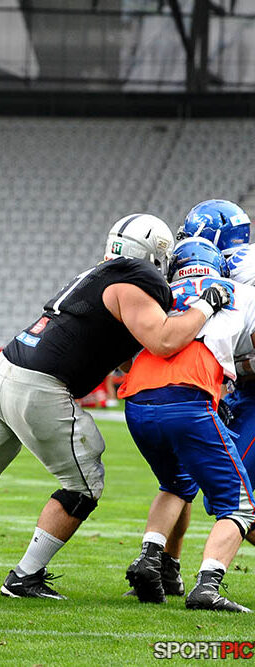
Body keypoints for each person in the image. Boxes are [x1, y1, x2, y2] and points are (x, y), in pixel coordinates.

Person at [0, 213, 230, 599]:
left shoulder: (98, 275)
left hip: (4, 368)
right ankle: (25, 576)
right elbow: (164, 341)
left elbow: (122, 360)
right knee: (85, 483)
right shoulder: (134, 279)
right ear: (154, 254)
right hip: (38, 384)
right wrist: (206, 305)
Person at [123, 199, 253, 599]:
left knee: (177, 482)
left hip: (137, 401)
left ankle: (155, 562)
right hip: (192, 398)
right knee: (240, 502)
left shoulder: (161, 293)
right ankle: (207, 585)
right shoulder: (238, 289)